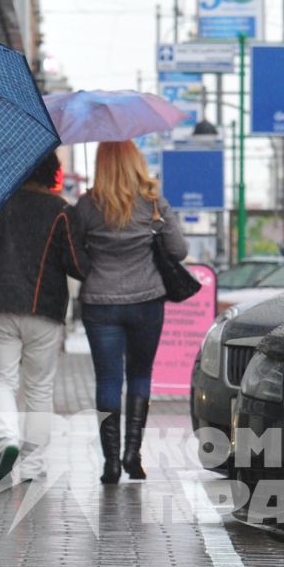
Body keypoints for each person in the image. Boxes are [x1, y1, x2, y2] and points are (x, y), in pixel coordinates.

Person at [72, 140, 186, 484]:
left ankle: (109, 463)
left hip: (100, 303)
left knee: (107, 379)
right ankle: (132, 454)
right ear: (136, 162)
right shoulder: (153, 202)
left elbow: (75, 254)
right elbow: (178, 251)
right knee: (139, 375)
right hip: (146, 301)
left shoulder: (87, 205)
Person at [0, 152, 81, 487]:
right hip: (45, 309)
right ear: (51, 171)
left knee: (1, 381)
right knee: (39, 387)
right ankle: (33, 464)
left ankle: (6, 440)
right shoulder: (60, 210)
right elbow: (77, 265)